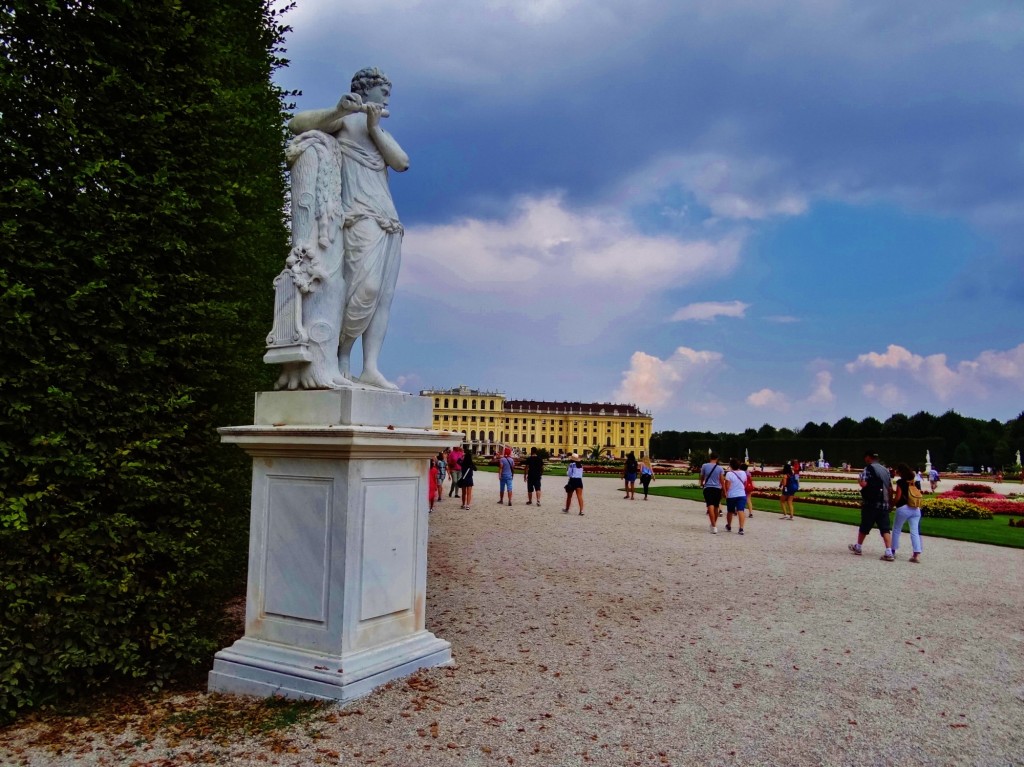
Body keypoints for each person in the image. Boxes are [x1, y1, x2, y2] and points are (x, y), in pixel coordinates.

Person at [271, 67, 409, 390]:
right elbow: (296, 125)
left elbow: (402, 162)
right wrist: (339, 109)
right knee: (365, 288)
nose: (388, 98)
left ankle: (370, 367)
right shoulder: (344, 120)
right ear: (366, 90)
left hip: (389, 220)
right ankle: (341, 354)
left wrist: (375, 128)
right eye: (383, 92)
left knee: (383, 298)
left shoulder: (378, 131)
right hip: (359, 216)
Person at [849, 450, 895, 561]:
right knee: (885, 528)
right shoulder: (885, 470)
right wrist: (889, 502)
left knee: (865, 525)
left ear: (868, 458)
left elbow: (864, 484)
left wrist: (859, 481)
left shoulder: (868, 469)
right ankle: (889, 551)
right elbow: (890, 487)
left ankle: (858, 547)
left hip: (870, 502)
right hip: (883, 502)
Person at [891, 463, 923, 563]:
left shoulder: (901, 482)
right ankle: (916, 554)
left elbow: (898, 497)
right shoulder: (916, 481)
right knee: (915, 532)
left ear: (901, 472)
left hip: (903, 508)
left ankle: (892, 551)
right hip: (916, 508)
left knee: (896, 529)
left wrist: (892, 504)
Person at [699, 453, 724, 534]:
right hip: (717, 488)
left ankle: (713, 525)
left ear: (710, 457)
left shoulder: (705, 466)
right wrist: (724, 490)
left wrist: (701, 483)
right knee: (716, 507)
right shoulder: (720, 468)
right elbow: (722, 480)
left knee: (710, 505)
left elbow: (702, 476)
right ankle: (714, 524)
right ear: (717, 458)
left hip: (708, 488)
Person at [722, 458, 749, 534]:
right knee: (741, 510)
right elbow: (745, 484)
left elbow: (727, 485)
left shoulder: (729, 474)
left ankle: (729, 526)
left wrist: (725, 493)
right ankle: (741, 528)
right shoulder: (743, 473)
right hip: (741, 494)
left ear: (731, 465)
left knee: (730, 511)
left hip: (732, 495)